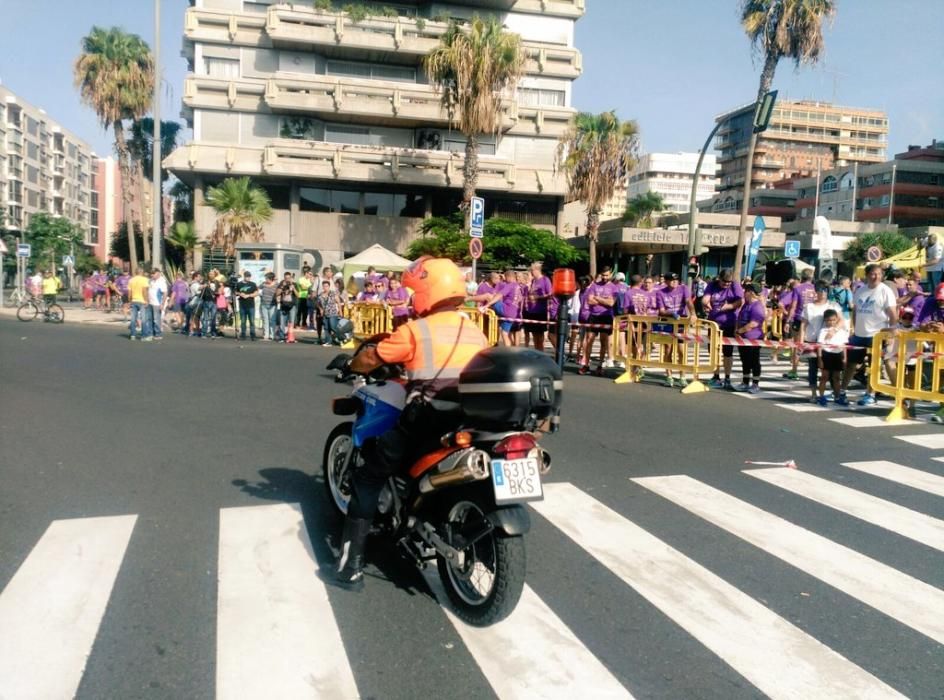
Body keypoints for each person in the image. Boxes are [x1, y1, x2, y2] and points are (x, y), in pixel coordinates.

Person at [329, 257, 488, 591]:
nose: (412, 297)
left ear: (428, 292)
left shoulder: (416, 330)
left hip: (427, 417)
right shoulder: (474, 329)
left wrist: (354, 362)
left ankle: (351, 566)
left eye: (415, 291)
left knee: (369, 475)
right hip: (468, 417)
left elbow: (373, 357)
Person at [838, 263, 899, 407]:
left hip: (877, 335)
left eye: (878, 274)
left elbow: (893, 314)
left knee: (874, 366)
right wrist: (853, 328)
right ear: (866, 276)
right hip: (859, 334)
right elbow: (856, 311)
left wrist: (891, 333)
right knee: (850, 365)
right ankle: (842, 391)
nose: (876, 276)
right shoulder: (860, 291)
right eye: (872, 274)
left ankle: (870, 394)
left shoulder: (885, 291)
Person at [799, 282, 843, 402]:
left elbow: (841, 321)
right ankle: (814, 392)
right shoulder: (809, 306)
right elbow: (803, 324)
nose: (822, 293)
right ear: (815, 291)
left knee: (830, 370)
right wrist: (801, 342)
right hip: (812, 340)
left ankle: (836, 393)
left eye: (825, 290)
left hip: (829, 342)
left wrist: (834, 330)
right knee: (813, 367)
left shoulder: (833, 305)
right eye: (820, 290)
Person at [704, 269, 744, 390]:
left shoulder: (735, 285)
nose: (726, 284)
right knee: (714, 350)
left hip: (728, 323)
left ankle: (727, 377)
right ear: (719, 279)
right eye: (724, 282)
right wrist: (705, 303)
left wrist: (729, 306)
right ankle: (716, 376)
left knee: (727, 352)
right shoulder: (712, 285)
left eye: (729, 282)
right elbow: (705, 297)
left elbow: (740, 301)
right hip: (714, 323)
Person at [656, 272, 695, 388]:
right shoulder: (660, 292)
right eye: (672, 280)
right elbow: (661, 310)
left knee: (681, 350)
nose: (674, 282)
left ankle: (682, 376)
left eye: (676, 280)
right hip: (667, 323)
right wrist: (671, 313)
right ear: (666, 281)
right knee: (668, 350)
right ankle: (669, 375)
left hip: (681, 323)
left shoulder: (684, 288)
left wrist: (693, 314)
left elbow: (689, 302)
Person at [579, 266, 617, 375]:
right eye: (603, 275)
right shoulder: (594, 286)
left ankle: (600, 365)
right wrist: (603, 300)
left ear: (610, 274)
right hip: (594, 316)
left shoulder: (614, 288)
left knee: (603, 341)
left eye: (607, 275)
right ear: (600, 274)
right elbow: (590, 301)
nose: (605, 277)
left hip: (606, 316)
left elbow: (611, 303)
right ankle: (585, 364)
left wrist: (598, 298)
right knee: (589, 340)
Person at [917, 283, 944, 423]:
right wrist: (927, 326)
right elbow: (920, 323)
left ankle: (942, 412)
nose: (941, 302)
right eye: (939, 299)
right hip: (939, 348)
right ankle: (941, 407)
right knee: (940, 377)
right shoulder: (930, 302)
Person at [734, 284, 766, 393]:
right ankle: (745, 382)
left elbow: (753, 323)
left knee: (754, 361)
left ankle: (755, 384)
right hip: (742, 339)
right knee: (745, 361)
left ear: (751, 292)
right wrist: (737, 331)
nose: (744, 292)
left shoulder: (757, 306)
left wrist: (739, 331)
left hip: (754, 339)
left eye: (746, 291)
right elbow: (739, 318)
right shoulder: (746, 305)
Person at [816, 310, 849, 407]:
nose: (831, 322)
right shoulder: (823, 331)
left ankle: (837, 397)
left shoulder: (841, 331)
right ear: (825, 321)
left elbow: (844, 346)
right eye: (828, 320)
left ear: (837, 320)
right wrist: (820, 358)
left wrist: (845, 358)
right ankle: (821, 396)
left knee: (837, 377)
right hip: (826, 354)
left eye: (833, 320)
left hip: (837, 355)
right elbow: (819, 346)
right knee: (824, 377)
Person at [523, 263, 552, 351]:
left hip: (540, 311)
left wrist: (538, 297)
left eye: (532, 270)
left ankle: (541, 353)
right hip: (532, 311)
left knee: (540, 336)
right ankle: (537, 352)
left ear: (537, 270)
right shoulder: (533, 281)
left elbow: (550, 294)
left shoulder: (545, 280)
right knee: (534, 335)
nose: (531, 272)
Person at [316, 279, 344, 345]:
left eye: (326, 286)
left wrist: (340, 312)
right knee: (326, 328)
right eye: (324, 286)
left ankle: (342, 338)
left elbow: (338, 302)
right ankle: (328, 341)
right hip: (325, 314)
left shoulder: (333, 293)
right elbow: (317, 303)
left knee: (333, 327)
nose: (325, 287)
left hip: (333, 313)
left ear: (329, 286)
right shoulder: (320, 295)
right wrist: (320, 309)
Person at [143, 269, 168, 340]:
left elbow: (165, 293)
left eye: (153, 273)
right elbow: (148, 291)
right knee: (149, 319)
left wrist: (162, 304)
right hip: (150, 302)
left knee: (156, 319)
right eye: (151, 273)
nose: (152, 275)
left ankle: (158, 334)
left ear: (158, 274)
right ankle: (151, 333)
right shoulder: (150, 281)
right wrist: (146, 301)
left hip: (157, 303)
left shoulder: (162, 282)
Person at [127, 267, 150, 340]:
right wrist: (146, 300)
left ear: (135, 272)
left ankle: (133, 335)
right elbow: (144, 291)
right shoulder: (145, 280)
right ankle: (144, 336)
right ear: (142, 272)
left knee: (133, 318)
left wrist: (129, 301)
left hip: (134, 300)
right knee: (143, 319)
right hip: (142, 301)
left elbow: (129, 292)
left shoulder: (131, 280)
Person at [235, 270, 259, 340]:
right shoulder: (239, 284)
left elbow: (256, 293)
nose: (248, 278)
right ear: (244, 276)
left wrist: (248, 295)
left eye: (249, 276)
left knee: (252, 321)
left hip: (251, 305)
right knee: (243, 321)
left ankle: (253, 335)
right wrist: (240, 294)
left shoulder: (253, 284)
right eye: (247, 276)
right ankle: (243, 334)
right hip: (242, 305)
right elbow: (235, 292)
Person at [276, 272, 298, 342]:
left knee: (291, 322)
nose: (287, 280)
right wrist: (282, 286)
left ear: (291, 278)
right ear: (284, 278)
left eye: (289, 278)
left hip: (292, 306)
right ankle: (282, 337)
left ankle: (290, 337)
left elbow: (298, 295)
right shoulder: (281, 284)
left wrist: (293, 288)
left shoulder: (294, 284)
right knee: (282, 322)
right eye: (286, 278)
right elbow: (277, 293)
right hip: (283, 305)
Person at [258, 272, 279, 341]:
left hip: (272, 305)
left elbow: (279, 292)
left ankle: (272, 335)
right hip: (264, 304)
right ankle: (266, 335)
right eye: (265, 278)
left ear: (271, 279)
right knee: (265, 320)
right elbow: (257, 288)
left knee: (272, 320)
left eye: (267, 278)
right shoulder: (263, 284)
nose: (266, 280)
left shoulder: (276, 285)